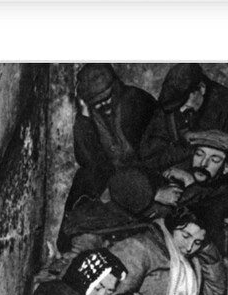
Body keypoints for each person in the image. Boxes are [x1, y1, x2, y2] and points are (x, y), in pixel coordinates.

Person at [63, 63, 157, 217]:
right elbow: (88, 161)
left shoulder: (138, 101)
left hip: (144, 177)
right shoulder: (89, 117)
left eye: (107, 98)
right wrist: (84, 117)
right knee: (83, 184)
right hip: (112, 180)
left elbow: (154, 152)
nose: (104, 105)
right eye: (97, 102)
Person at [59, 166, 185, 255]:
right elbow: (122, 181)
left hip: (113, 238)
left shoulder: (167, 211)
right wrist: (157, 193)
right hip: (90, 227)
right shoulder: (144, 178)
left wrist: (190, 180)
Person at [140, 63, 228, 173]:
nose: (181, 110)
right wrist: (187, 143)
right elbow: (149, 158)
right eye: (178, 106)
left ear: (201, 89)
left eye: (184, 102)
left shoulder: (227, 104)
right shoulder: (169, 103)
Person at [162, 129, 228, 255]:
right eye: (199, 154)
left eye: (215, 159)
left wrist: (190, 183)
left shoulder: (222, 197)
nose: (203, 164)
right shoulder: (176, 177)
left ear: (226, 168)